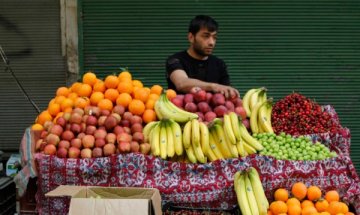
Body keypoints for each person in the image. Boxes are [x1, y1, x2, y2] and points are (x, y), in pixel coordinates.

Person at [166, 15, 240, 99]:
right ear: (191, 37)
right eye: (206, 36)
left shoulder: (219, 64)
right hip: (179, 111)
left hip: (212, 112)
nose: (211, 42)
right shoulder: (175, 60)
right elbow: (181, 83)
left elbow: (226, 92)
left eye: (214, 37)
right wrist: (213, 86)